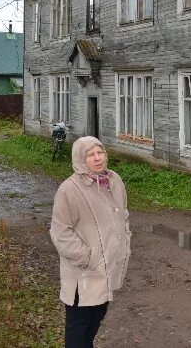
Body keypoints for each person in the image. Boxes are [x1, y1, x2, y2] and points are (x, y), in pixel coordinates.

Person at [50, 136, 131, 348]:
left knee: (97, 317)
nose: (97, 158)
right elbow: (60, 232)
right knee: (79, 325)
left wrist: (125, 242)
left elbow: (123, 215)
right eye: (90, 155)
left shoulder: (115, 182)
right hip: (83, 273)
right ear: (80, 159)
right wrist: (88, 257)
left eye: (100, 152)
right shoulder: (69, 189)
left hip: (107, 269)